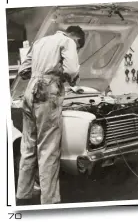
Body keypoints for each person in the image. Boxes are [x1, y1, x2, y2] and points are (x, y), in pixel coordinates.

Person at [16, 26, 85, 205]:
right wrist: (60, 77)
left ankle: (23, 194)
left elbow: (23, 71)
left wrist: (40, 73)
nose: (76, 51)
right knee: (48, 149)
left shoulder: (40, 41)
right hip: (48, 92)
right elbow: (71, 71)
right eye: (78, 49)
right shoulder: (67, 41)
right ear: (76, 40)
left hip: (29, 91)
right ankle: (50, 201)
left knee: (28, 146)